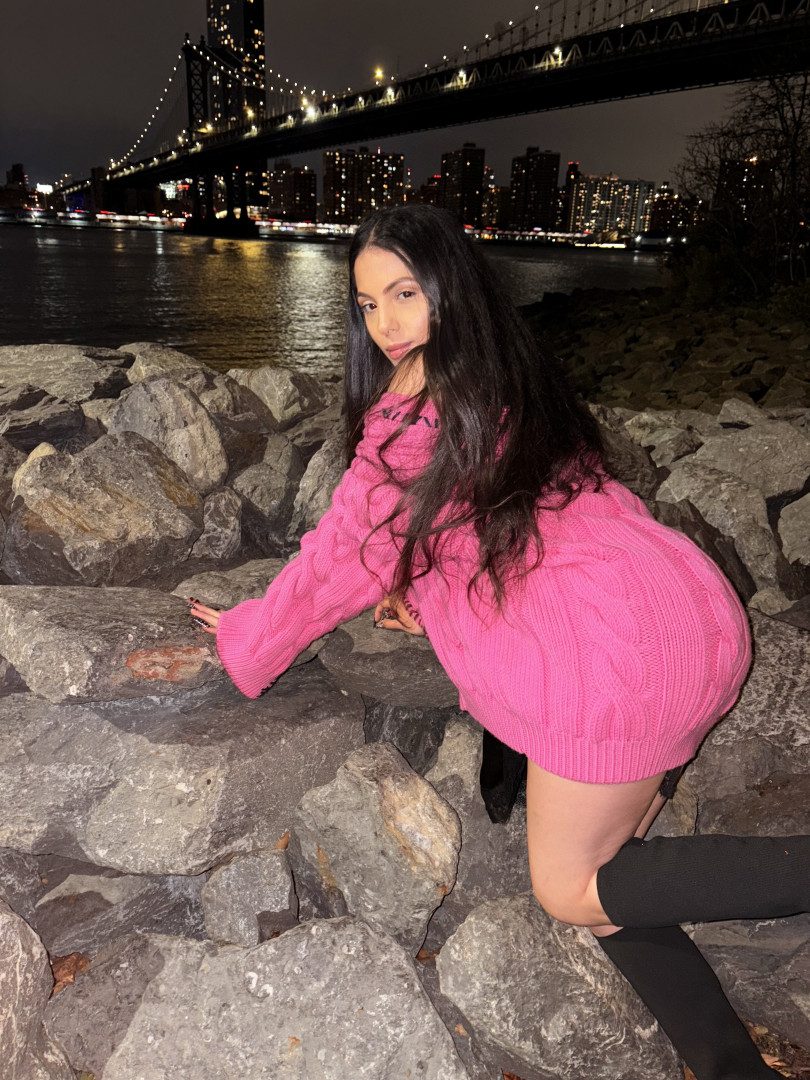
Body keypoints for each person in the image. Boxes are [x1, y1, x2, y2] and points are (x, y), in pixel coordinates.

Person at [191, 204, 807, 1080]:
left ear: (450, 288)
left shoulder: (412, 410)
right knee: (612, 888)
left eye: (405, 293)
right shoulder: (509, 376)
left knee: (566, 888)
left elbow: (340, 558)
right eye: (367, 304)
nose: (386, 322)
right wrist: (427, 588)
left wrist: (249, 635)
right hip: (687, 607)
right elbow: (509, 519)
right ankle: (730, 1067)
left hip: (613, 657)